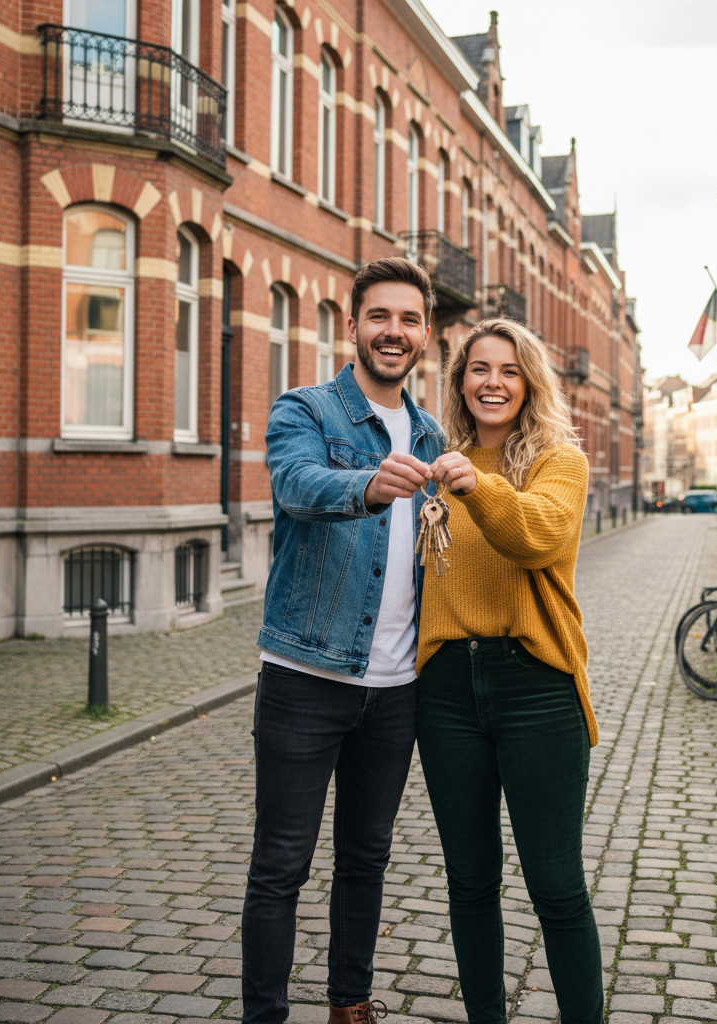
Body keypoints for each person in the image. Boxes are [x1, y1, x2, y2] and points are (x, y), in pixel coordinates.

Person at [242, 258, 445, 1024]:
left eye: (409, 319)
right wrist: (366, 486)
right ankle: (263, 1014)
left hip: (396, 689)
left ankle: (348, 1005)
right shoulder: (307, 409)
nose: (394, 332)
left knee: (366, 859)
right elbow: (293, 485)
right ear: (351, 326)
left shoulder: (431, 432)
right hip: (304, 674)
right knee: (281, 866)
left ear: (425, 333)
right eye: (379, 317)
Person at [418, 317, 603, 1024]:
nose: (492, 382)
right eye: (478, 369)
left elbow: (537, 535)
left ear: (529, 384)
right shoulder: (439, 458)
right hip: (445, 694)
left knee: (556, 885)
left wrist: (474, 487)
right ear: (461, 381)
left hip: (536, 688)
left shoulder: (559, 460)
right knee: (469, 883)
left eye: (508, 370)